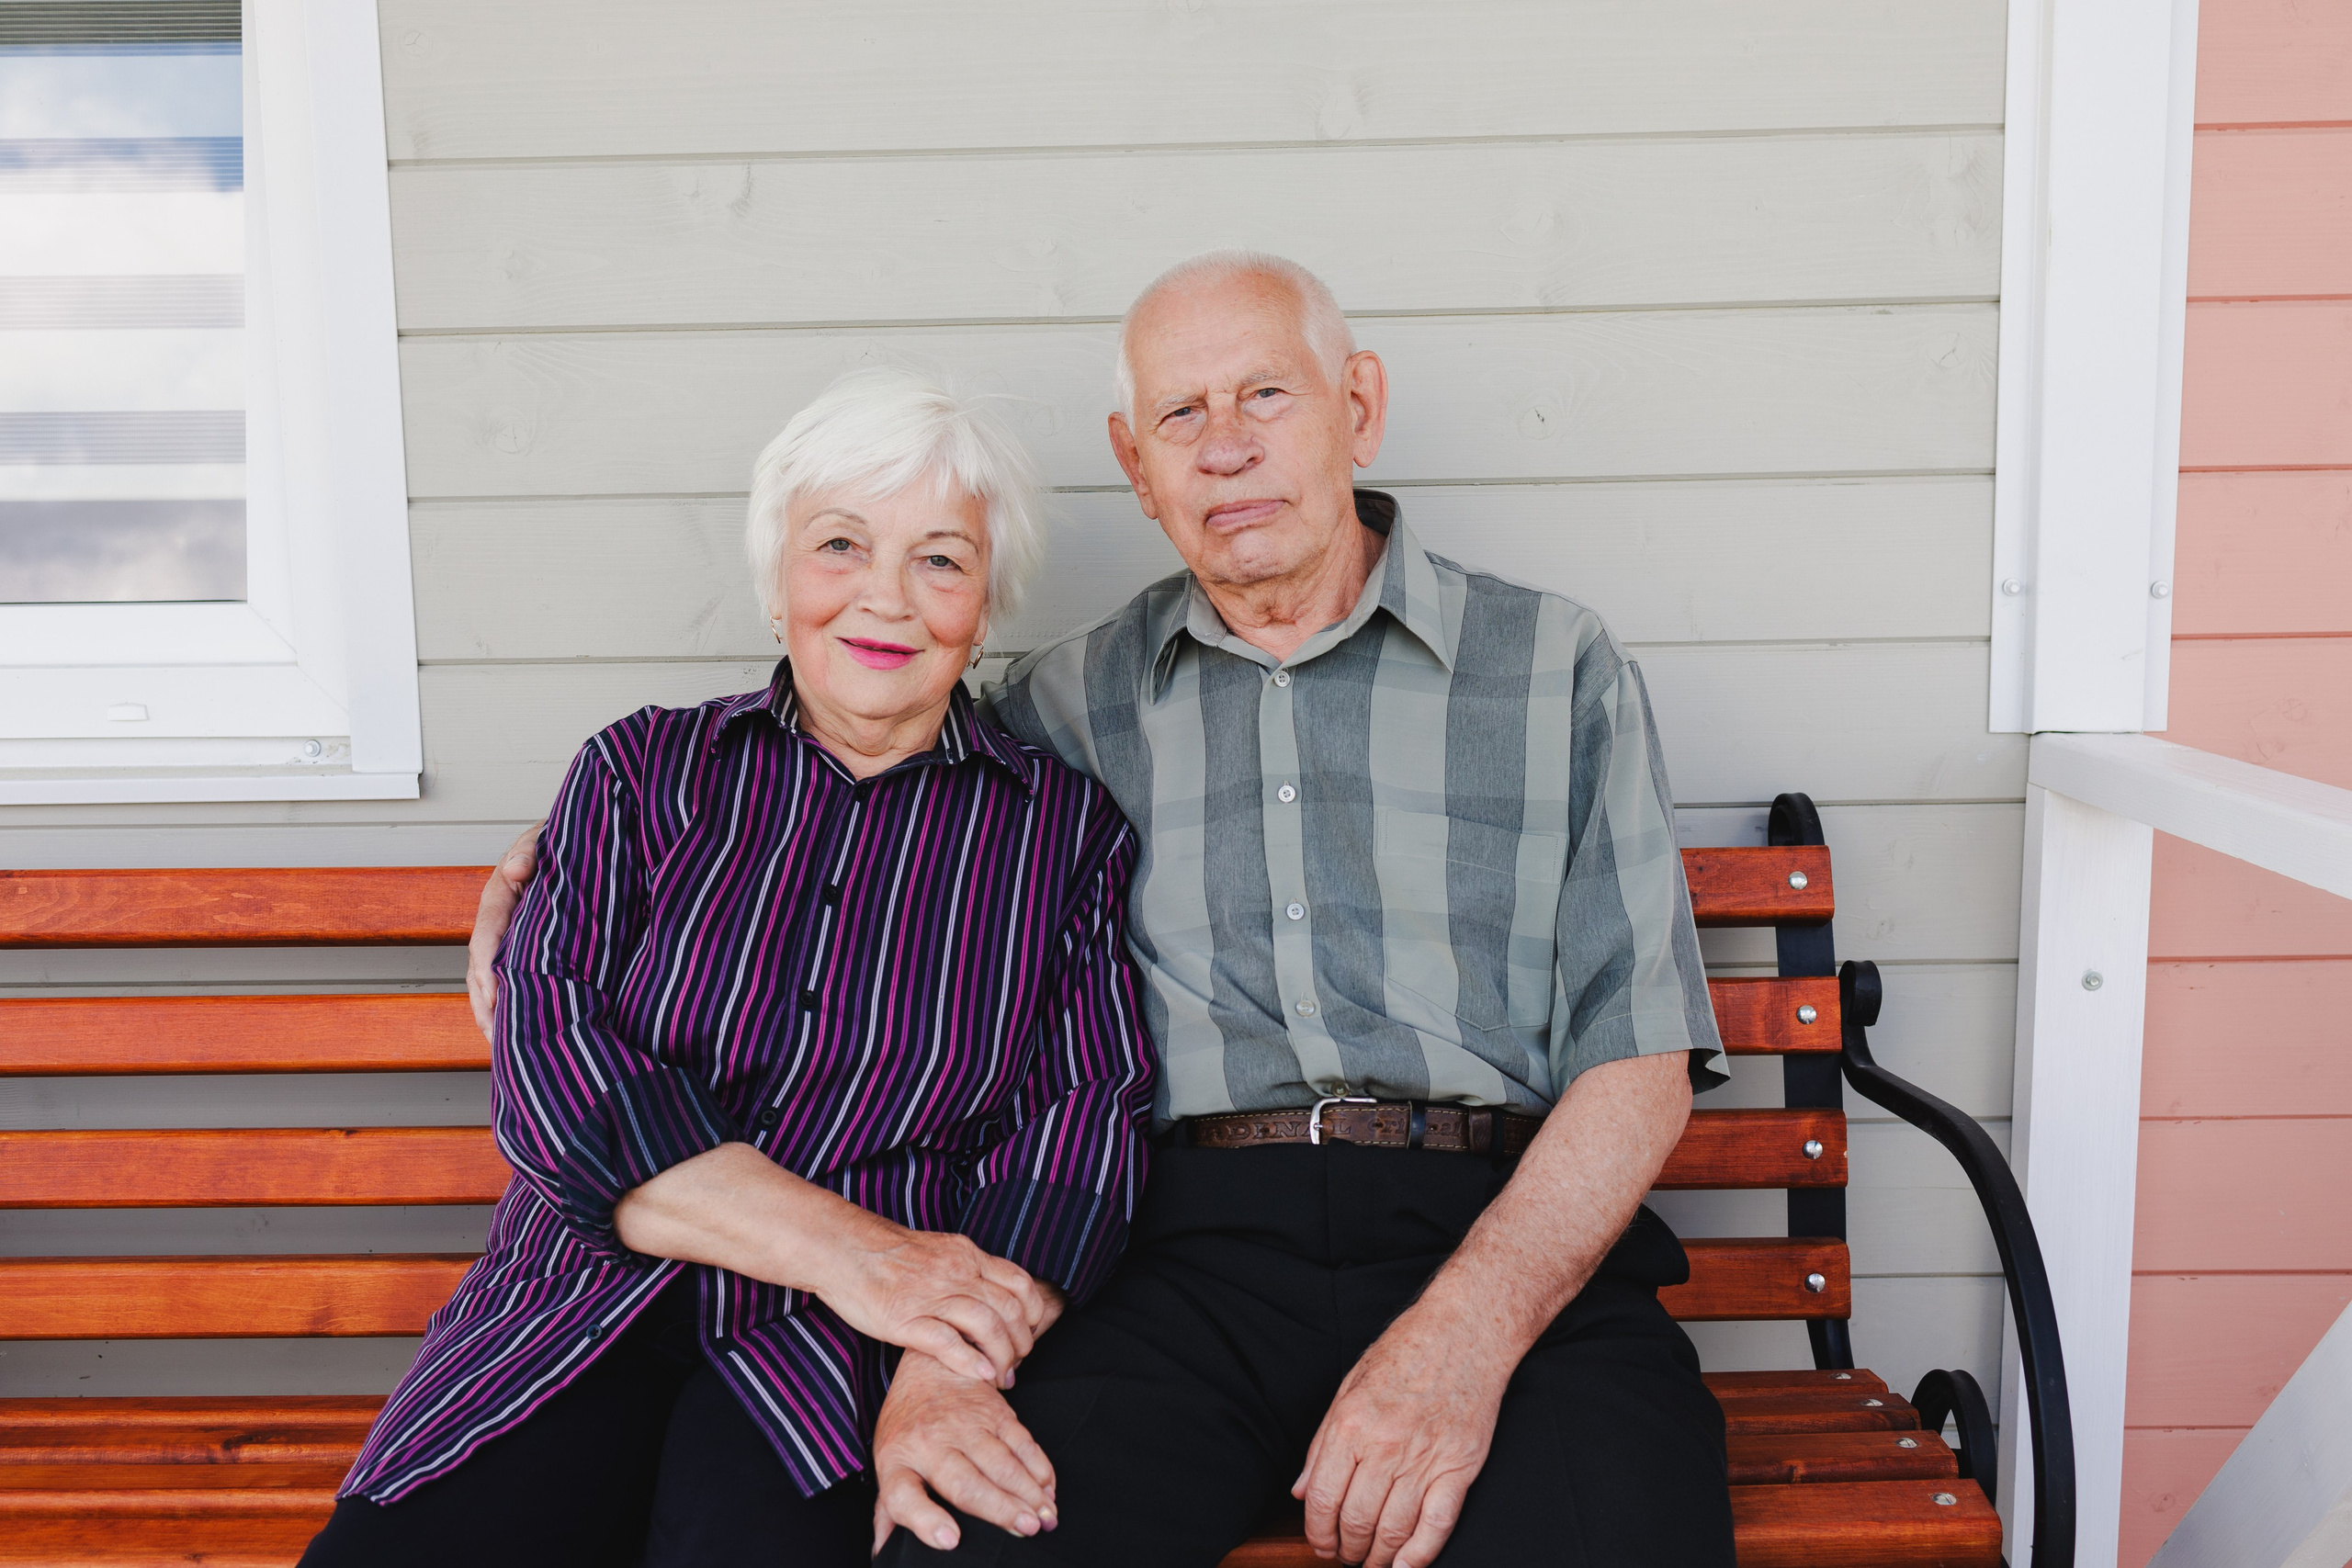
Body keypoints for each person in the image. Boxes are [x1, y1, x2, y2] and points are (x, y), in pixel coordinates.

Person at [470, 252, 1736, 1568]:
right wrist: (558, 862)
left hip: (1499, 1240)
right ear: (1137, 468)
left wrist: (1464, 1338)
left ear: (1357, 406)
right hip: (1179, 1262)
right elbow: (855, 762)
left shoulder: (1548, 666)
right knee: (970, 1542)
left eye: (1266, 395)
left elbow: (1637, 1061)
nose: (1226, 448)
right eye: (1182, 418)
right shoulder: (1063, 705)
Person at [304, 369, 1156, 1568]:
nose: (885, 598)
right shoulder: (641, 774)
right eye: (840, 544)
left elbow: (1082, 1124)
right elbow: (561, 1079)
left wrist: (937, 1348)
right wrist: (871, 1261)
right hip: (577, 1310)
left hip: (829, 1365)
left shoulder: (1058, 832)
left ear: (985, 603)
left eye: (940, 560)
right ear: (776, 580)